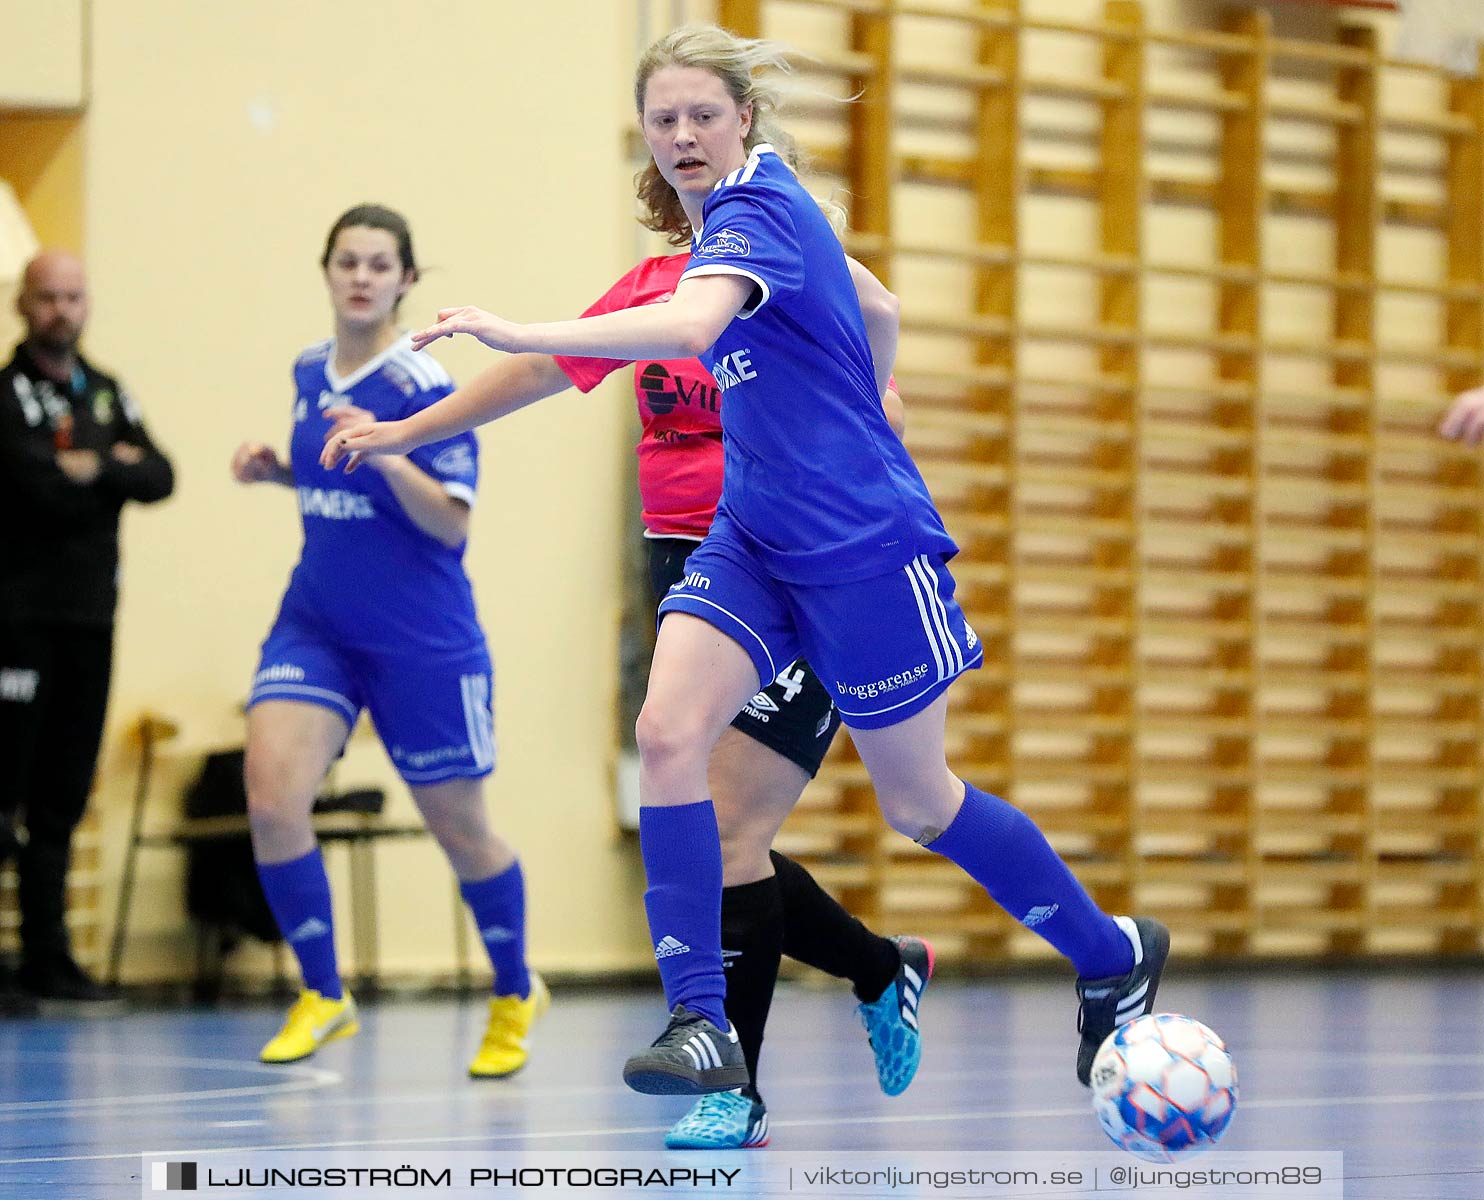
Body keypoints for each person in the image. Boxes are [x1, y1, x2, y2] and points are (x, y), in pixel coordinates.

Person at [330, 24, 1168, 1099]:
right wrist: (407, 431)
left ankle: (1108, 954)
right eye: (661, 119)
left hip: (861, 549)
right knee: (666, 734)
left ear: (744, 122)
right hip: (750, 535)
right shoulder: (722, 234)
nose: (680, 135)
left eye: (700, 115)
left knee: (919, 804)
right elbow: (873, 306)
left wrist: (501, 322)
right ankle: (700, 1023)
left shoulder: (763, 208)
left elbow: (690, 329)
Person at [324, 235, 927, 1148]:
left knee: (726, 834)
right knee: (719, 838)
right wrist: (408, 431)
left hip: (793, 576)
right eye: (669, 133)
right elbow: (539, 370)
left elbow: (875, 413)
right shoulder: (657, 287)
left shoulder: (800, 280)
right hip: (686, 575)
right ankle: (879, 966)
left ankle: (737, 1087)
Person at [232, 204, 543, 1075]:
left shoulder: (426, 384)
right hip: (319, 621)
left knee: (460, 828)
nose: (362, 277)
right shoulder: (307, 369)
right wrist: (281, 468)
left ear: (408, 280)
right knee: (270, 796)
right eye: (347, 262)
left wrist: (388, 451)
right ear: (327, 271)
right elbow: (331, 467)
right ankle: (323, 994)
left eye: (380, 264)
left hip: (421, 639)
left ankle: (517, 990)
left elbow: (448, 523)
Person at [0, 251, 174, 1009]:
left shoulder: (105, 390)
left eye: (74, 297)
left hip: (90, 620)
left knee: (63, 797)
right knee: (3, 789)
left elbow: (161, 475)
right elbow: (29, 482)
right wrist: (112, 470)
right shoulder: (5, 392)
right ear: (23, 305)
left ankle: (50, 959)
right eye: (48, 298)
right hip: (16, 623)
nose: (62, 310)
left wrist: (90, 467)